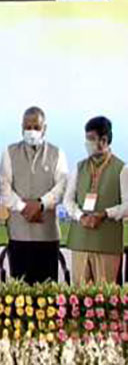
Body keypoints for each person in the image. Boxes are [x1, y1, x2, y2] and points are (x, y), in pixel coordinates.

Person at [0, 107, 68, 284]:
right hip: (18, 236)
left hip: (47, 236)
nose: (31, 132)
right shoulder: (9, 152)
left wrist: (41, 204)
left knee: (48, 294)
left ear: (45, 128)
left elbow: (61, 187)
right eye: (27, 127)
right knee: (19, 294)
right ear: (21, 127)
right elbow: (4, 187)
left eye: (36, 127)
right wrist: (24, 208)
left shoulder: (57, 154)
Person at [64, 116, 127, 285]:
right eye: (87, 139)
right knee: (79, 294)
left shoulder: (121, 169)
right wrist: (80, 216)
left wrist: (105, 214)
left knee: (105, 296)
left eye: (91, 139)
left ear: (104, 140)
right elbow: (68, 200)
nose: (88, 143)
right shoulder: (79, 167)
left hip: (106, 244)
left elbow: (127, 205)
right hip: (80, 241)